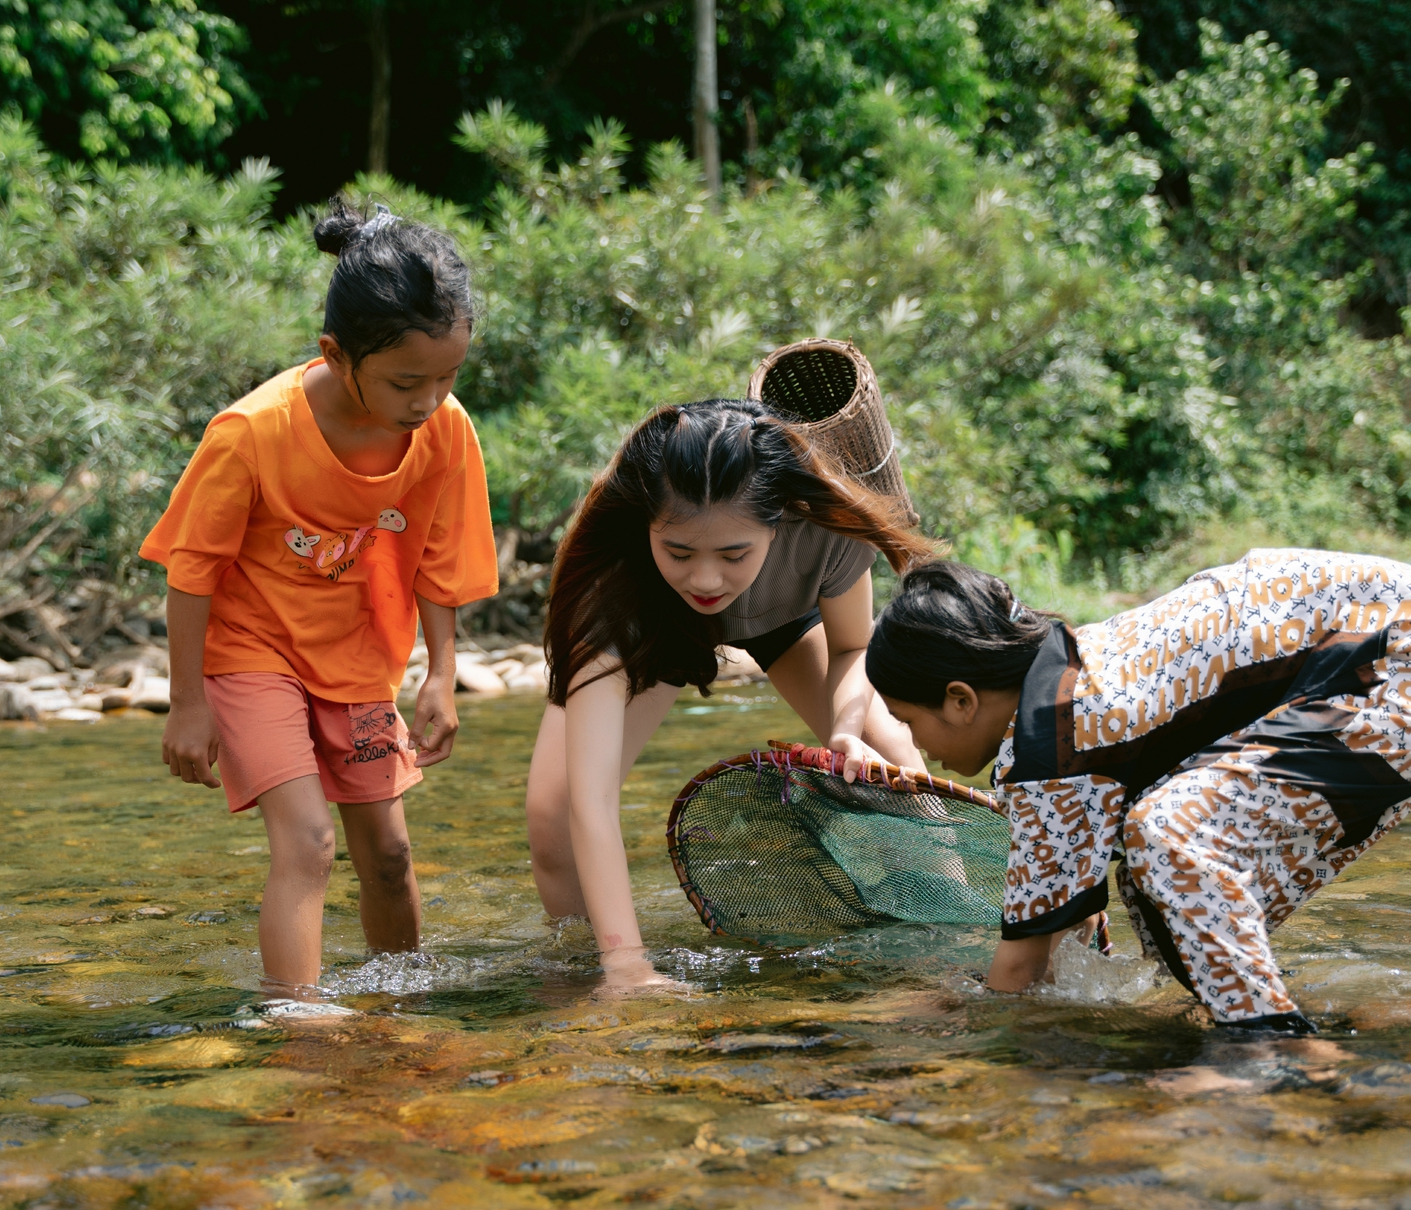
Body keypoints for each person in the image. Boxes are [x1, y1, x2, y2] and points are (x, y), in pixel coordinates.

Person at [863, 550, 1411, 1032]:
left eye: (909, 722)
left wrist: (969, 1028)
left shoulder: (1048, 741)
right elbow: (1063, 914)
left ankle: (1270, 1048)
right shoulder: (1066, 678)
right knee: (1156, 894)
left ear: (960, 699)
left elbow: (1025, 961)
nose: (918, 747)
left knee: (1166, 835)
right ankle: (1264, 1018)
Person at [143, 202, 494, 1015]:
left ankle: (400, 1011)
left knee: (392, 855)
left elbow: (441, 556)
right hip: (250, 652)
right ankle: (297, 1020)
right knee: (307, 840)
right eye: (408, 381)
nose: (430, 399)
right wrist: (187, 703)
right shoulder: (253, 433)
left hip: (360, 660)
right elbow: (192, 570)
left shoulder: (445, 431)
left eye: (448, 377)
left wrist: (441, 672)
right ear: (335, 354)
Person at [528, 399, 938, 994]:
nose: (706, 579)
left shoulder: (828, 520)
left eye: (733, 554)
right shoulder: (609, 584)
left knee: (890, 755)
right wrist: (629, 966)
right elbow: (592, 801)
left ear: (782, 520)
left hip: (782, 616)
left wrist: (848, 724)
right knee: (554, 821)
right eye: (680, 552)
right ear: (647, 524)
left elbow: (852, 649)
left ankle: (947, 933)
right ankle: (588, 971)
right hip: (655, 624)